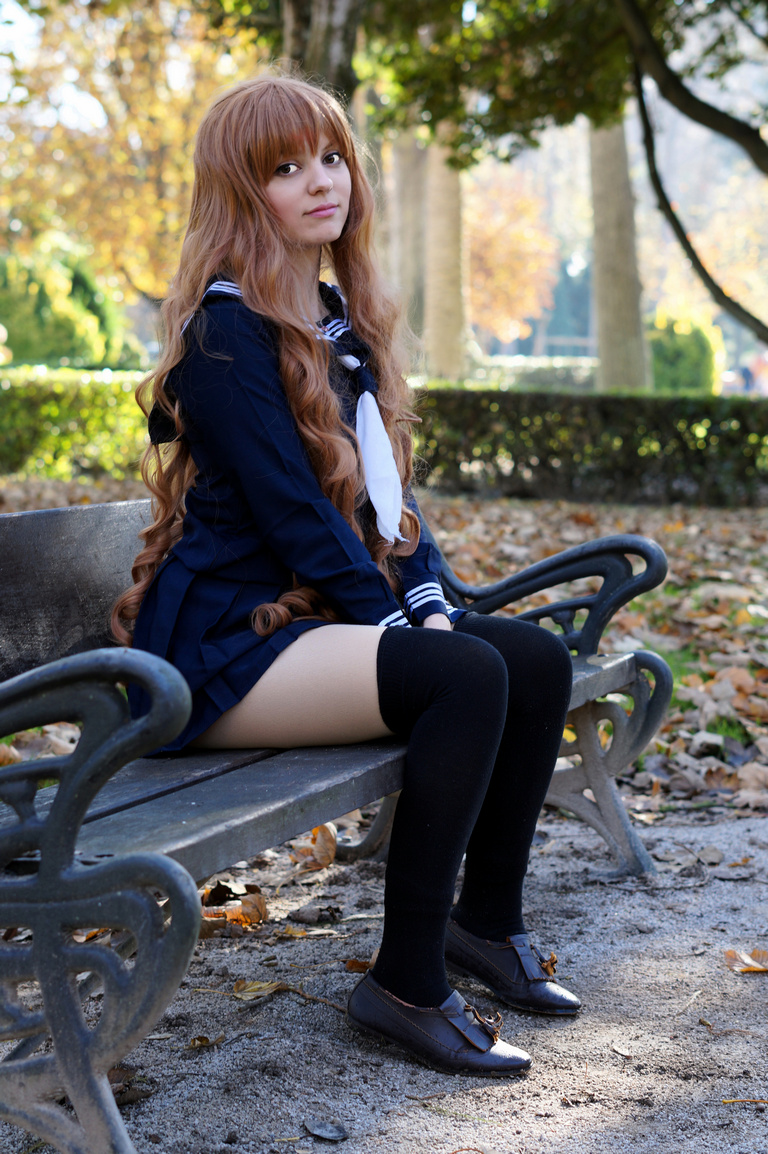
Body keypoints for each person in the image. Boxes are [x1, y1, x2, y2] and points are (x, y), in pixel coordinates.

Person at [113, 72, 580, 1078]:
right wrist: (407, 633)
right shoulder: (226, 332)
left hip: (306, 622)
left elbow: (386, 504)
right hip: (223, 644)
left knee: (531, 660)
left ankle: (483, 927)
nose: (320, 181)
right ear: (245, 194)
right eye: (285, 168)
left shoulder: (334, 318)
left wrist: (435, 600)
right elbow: (296, 519)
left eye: (330, 158)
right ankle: (405, 980)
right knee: (463, 676)